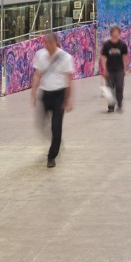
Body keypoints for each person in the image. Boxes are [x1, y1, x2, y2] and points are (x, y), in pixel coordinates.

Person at [30, 30, 74, 168]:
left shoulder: (65, 57)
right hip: (46, 95)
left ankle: (51, 156)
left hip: (59, 96)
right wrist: (33, 93)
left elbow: (69, 80)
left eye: (49, 42)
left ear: (56, 43)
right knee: (41, 124)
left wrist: (68, 99)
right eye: (45, 42)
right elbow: (37, 74)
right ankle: (57, 142)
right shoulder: (40, 55)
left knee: (56, 127)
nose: (47, 45)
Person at [97, 25, 129, 113]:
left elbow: (124, 57)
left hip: (119, 69)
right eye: (114, 32)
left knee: (119, 87)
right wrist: (104, 69)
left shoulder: (122, 45)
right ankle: (111, 106)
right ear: (111, 33)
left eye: (117, 32)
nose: (115, 34)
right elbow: (103, 57)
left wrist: (125, 69)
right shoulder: (107, 45)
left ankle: (119, 102)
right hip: (110, 69)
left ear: (119, 33)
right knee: (109, 88)